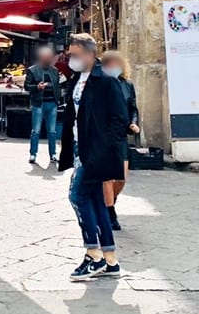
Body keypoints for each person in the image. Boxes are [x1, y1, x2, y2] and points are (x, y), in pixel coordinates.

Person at [58, 33, 128, 281]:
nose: (71, 59)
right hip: (80, 148)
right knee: (97, 200)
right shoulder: (77, 78)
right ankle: (110, 259)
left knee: (76, 195)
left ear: (89, 54)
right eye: (70, 55)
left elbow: (120, 118)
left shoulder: (106, 81)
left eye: (76, 55)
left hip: (95, 152)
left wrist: (102, 148)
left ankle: (93, 254)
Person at [100, 50, 140, 231]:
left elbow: (133, 108)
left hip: (120, 134)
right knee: (107, 176)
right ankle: (109, 213)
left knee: (121, 177)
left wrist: (133, 123)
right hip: (102, 134)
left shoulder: (127, 85)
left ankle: (110, 200)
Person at [26, 45, 62, 164]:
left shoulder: (54, 71)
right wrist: (37, 87)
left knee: (52, 131)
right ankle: (33, 153)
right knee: (36, 130)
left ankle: (53, 154)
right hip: (38, 103)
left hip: (52, 103)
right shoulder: (32, 70)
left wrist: (58, 98)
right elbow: (27, 86)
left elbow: (57, 85)